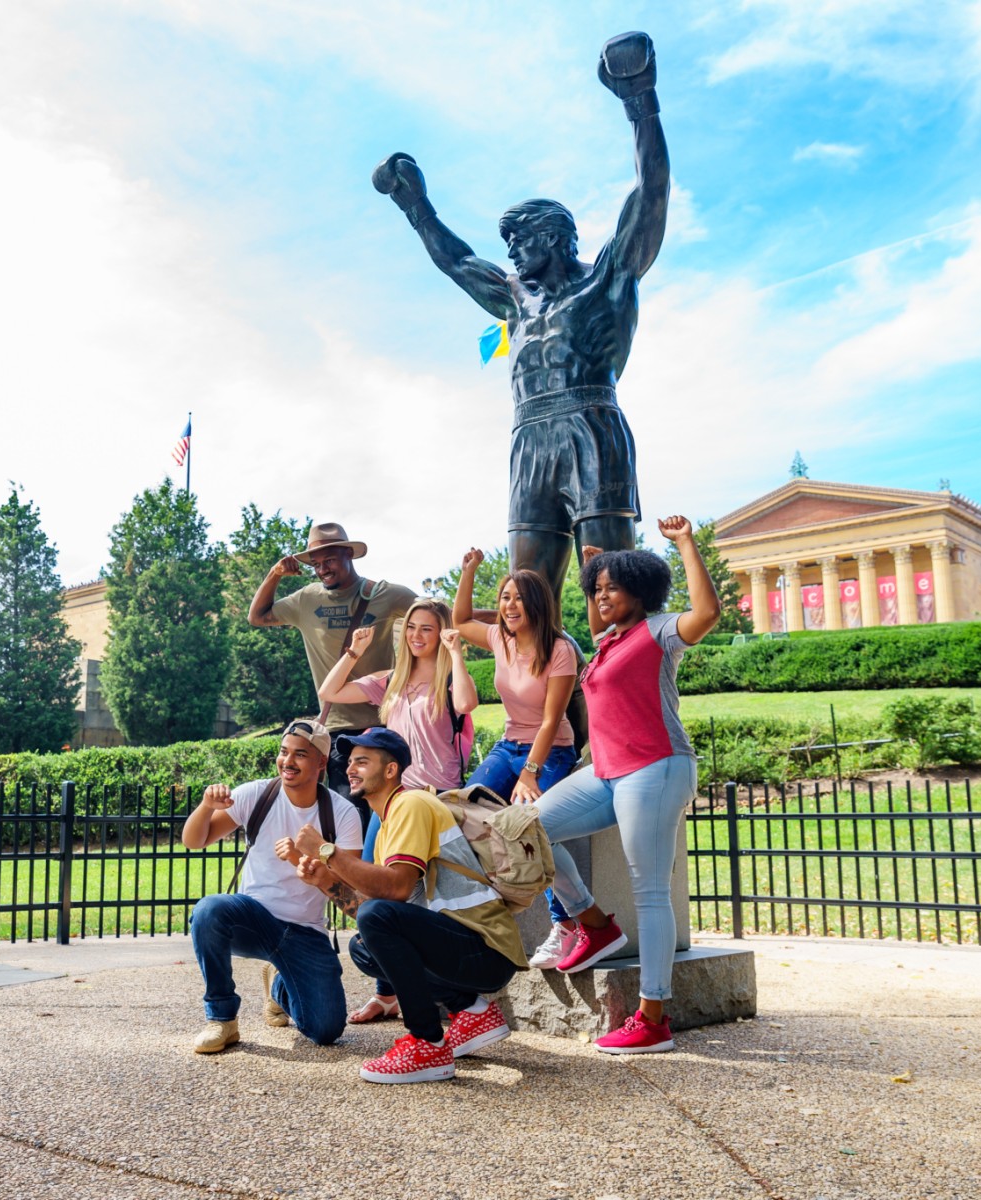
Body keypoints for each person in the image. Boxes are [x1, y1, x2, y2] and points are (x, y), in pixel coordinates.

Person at [371, 31, 668, 599]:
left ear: (553, 237)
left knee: (615, 588)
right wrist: (416, 205)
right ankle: (546, 689)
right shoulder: (514, 298)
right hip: (529, 437)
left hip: (591, 426)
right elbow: (457, 261)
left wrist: (639, 100)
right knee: (527, 593)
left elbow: (651, 189)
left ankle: (621, 684)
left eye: (519, 240)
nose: (509, 253)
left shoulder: (609, 275)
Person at [533, 515, 719, 1054]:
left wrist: (684, 542)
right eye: (599, 590)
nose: (604, 595)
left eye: (616, 587)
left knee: (650, 892)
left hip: (656, 769)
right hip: (608, 772)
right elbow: (596, 609)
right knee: (531, 829)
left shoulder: (659, 630)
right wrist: (593, 571)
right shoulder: (607, 641)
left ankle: (652, 1016)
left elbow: (706, 613)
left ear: (641, 591)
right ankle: (592, 922)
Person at [292, 729, 525, 1084]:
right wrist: (325, 881)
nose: (351, 769)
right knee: (364, 947)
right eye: (350, 761)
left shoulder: (410, 805)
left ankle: (427, 1044)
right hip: (467, 947)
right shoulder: (388, 822)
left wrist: (327, 851)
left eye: (363, 761)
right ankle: (473, 1011)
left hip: (485, 948)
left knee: (376, 922)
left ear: (390, 770)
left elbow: (397, 889)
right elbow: (373, 916)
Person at [317, 598, 477, 1024]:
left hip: (437, 801)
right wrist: (354, 650)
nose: (417, 636)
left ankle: (447, 992)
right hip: (390, 803)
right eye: (412, 627)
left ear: (440, 633)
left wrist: (456, 652)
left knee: (432, 898)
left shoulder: (448, 679)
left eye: (427, 629)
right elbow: (328, 692)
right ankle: (387, 992)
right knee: (373, 892)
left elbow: (466, 704)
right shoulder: (392, 680)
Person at [179, 719, 363, 1055]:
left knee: (325, 1029)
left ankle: (279, 987)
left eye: (300, 755)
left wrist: (302, 860)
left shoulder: (343, 815)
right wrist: (207, 806)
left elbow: (353, 899)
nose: (287, 761)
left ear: (321, 762)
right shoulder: (256, 795)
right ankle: (222, 1018)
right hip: (253, 919)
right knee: (209, 910)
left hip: (305, 932)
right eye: (283, 752)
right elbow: (194, 840)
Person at [451, 552, 585, 967]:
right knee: (464, 816)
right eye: (504, 598)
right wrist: (469, 571)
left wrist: (530, 773)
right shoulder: (499, 639)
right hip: (507, 745)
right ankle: (477, 919)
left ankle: (565, 925)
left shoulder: (559, 649)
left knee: (532, 830)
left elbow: (551, 720)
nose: (509, 606)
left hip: (551, 750)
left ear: (537, 603)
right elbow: (459, 618)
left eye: (518, 598)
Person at [247, 522, 418, 795]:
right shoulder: (307, 599)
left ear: (348, 555)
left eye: (329, 560)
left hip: (385, 724)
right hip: (338, 730)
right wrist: (275, 574)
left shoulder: (385, 594)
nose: (322, 569)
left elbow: (438, 617)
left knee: (387, 813)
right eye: (316, 564)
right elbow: (256, 617)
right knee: (348, 814)